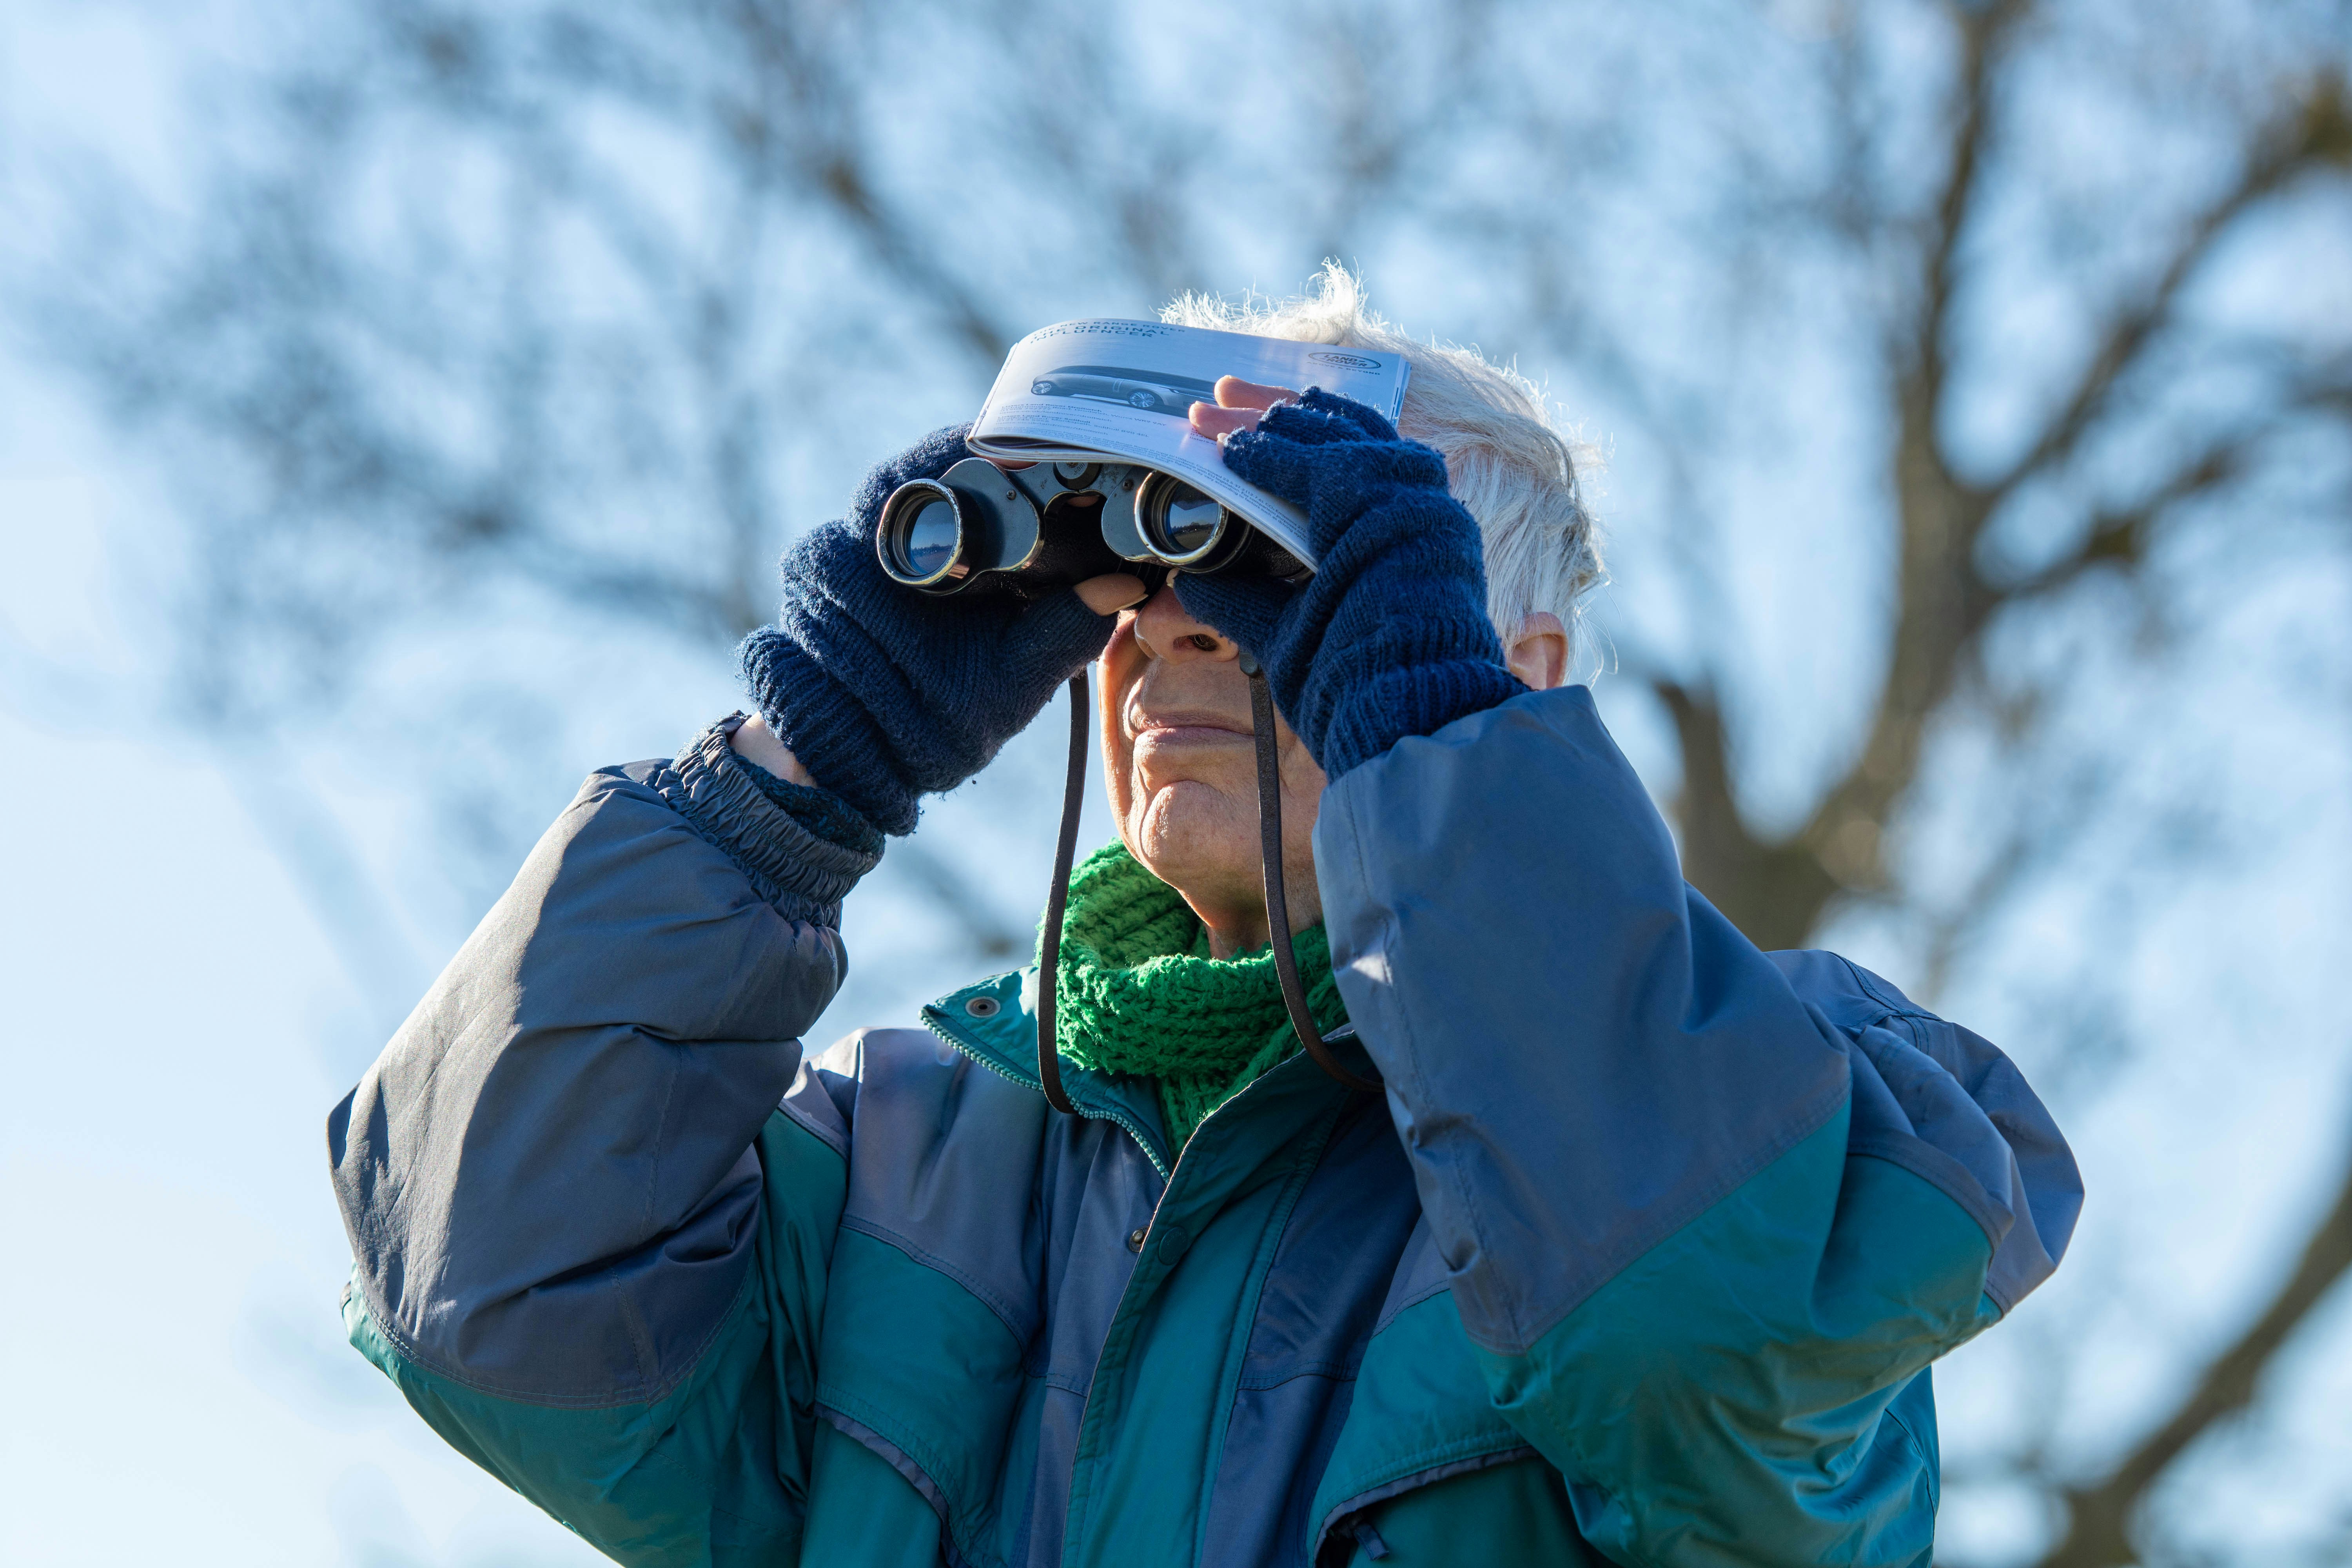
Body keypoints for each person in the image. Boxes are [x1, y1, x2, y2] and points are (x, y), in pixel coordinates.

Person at [327, 269, 2081, 1567]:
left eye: (1280, 565)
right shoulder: (913, 1155)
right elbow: (494, 1300)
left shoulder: (1784, 1111)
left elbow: (1711, 1365)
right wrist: (803, 768)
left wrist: (1438, 757)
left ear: (1526, 671)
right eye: (1152, 571)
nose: (1177, 627)